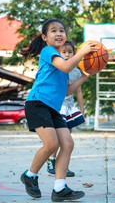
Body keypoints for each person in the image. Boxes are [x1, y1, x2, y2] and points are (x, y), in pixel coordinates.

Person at [20, 19, 98, 202]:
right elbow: (66, 66)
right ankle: (29, 175)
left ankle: (59, 188)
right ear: (45, 37)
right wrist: (81, 53)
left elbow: (68, 91)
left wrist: (87, 74)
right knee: (51, 145)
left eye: (62, 31)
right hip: (37, 103)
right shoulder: (48, 52)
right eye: (54, 31)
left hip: (52, 108)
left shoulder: (63, 62)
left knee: (68, 144)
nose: (59, 33)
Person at [47, 41, 85, 177]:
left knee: (67, 138)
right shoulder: (59, 69)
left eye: (70, 52)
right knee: (58, 137)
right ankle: (51, 160)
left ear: (74, 54)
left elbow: (78, 91)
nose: (67, 55)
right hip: (59, 107)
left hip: (69, 107)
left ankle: (63, 165)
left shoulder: (76, 71)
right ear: (58, 54)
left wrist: (81, 108)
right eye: (64, 52)